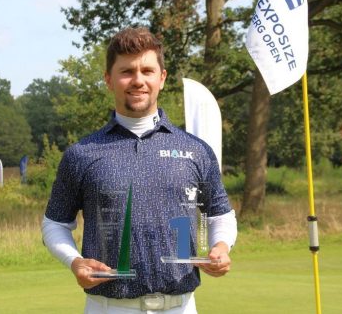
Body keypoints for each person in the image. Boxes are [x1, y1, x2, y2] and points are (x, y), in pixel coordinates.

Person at [42, 27, 237, 314]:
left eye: (147, 70)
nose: (138, 80)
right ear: (109, 79)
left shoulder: (195, 149)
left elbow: (220, 214)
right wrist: (75, 261)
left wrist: (221, 248)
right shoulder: (81, 153)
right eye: (126, 71)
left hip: (180, 307)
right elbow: (54, 224)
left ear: (162, 77)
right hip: (108, 307)